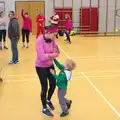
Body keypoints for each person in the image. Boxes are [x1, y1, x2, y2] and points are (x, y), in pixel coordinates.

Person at [35, 26, 60, 117]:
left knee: (53, 84)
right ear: (48, 33)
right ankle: (44, 108)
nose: (55, 37)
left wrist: (48, 55)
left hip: (50, 65)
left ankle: (48, 100)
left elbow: (57, 52)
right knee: (44, 87)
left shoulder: (53, 40)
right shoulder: (39, 40)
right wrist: (52, 55)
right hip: (40, 67)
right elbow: (41, 57)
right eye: (54, 35)